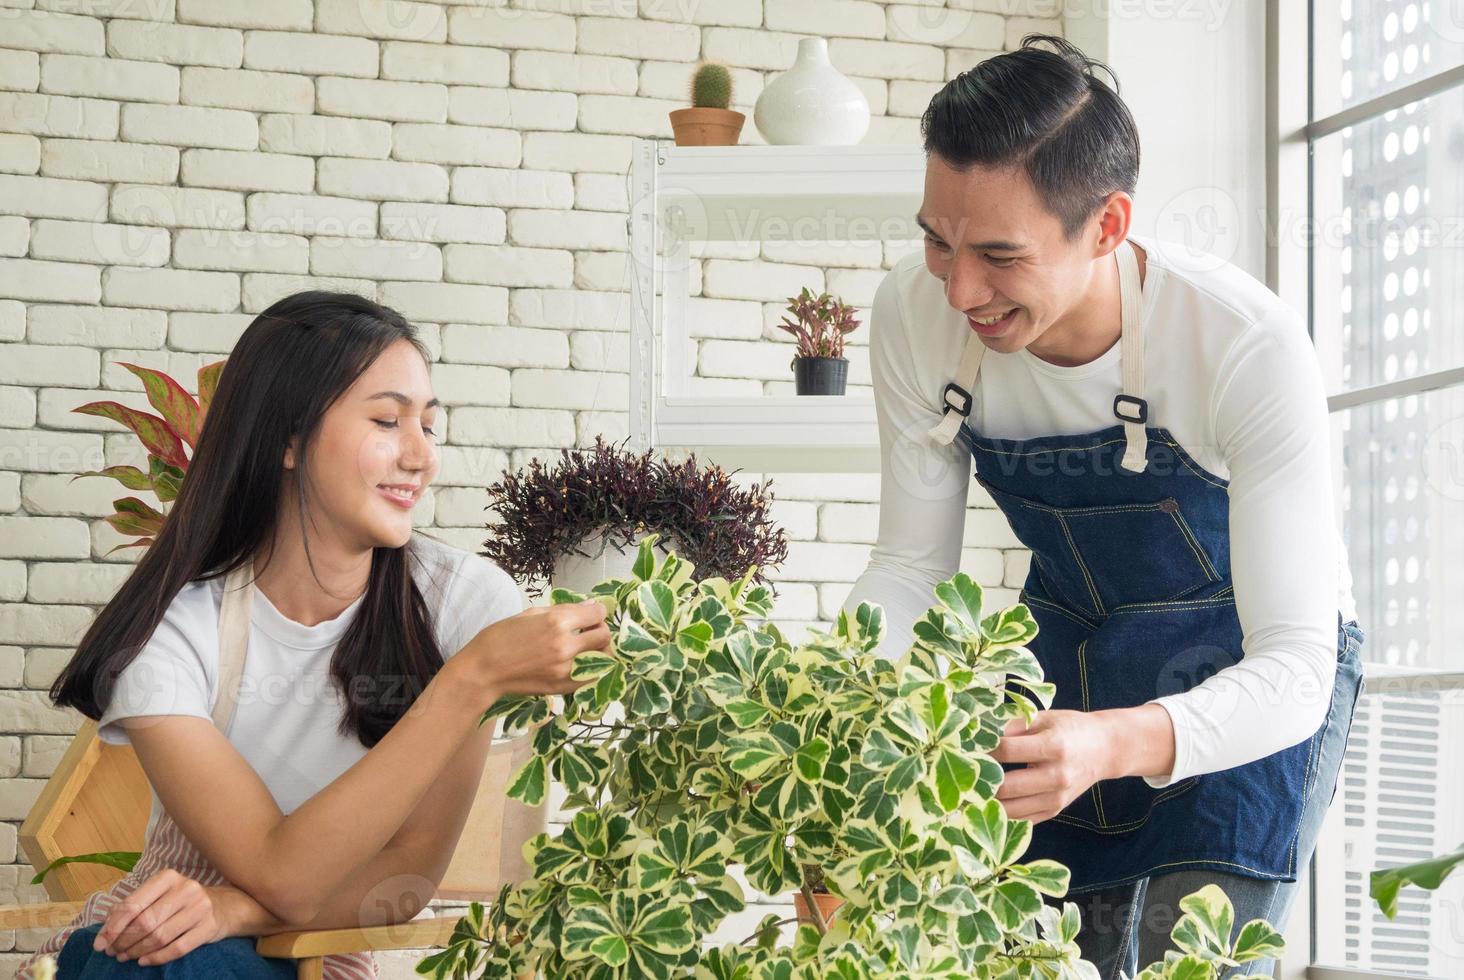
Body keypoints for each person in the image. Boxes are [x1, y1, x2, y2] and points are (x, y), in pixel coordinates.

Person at [842, 36, 1364, 979]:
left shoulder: (1242, 346)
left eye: (1000, 255)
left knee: (1187, 955)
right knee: (1029, 954)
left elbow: (1295, 664)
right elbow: (911, 569)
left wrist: (1117, 740)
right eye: (937, 240)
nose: (960, 290)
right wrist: (843, 726)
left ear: (1109, 226)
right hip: (1072, 646)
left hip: (1247, 671)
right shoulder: (915, 320)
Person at [17, 292, 606, 979]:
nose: (421, 456)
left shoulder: (463, 605)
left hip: (317, 954)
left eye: (430, 426)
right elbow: (278, 869)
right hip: (149, 949)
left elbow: (406, 880)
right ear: (288, 439)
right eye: (387, 421)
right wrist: (469, 680)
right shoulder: (174, 628)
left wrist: (232, 909)